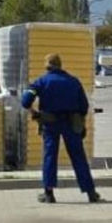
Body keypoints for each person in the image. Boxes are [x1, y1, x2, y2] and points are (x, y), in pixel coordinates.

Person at [21, 54, 100, 204]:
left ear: (47, 65)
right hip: (71, 123)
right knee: (78, 157)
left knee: (50, 156)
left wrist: (35, 114)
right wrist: (81, 123)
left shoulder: (41, 82)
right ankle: (90, 193)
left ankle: (49, 193)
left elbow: (25, 101)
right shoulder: (73, 81)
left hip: (50, 123)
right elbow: (84, 106)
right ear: (60, 64)